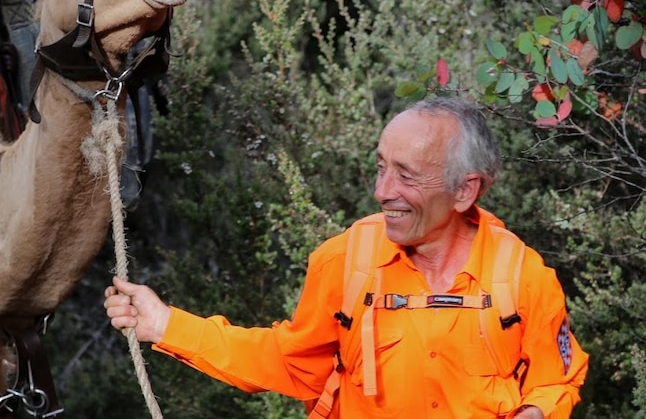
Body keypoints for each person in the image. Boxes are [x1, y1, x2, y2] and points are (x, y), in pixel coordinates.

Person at [104, 96, 588, 418]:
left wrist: (535, 411)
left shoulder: (523, 278)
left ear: (465, 190)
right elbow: (291, 362)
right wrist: (168, 325)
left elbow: (556, 380)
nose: (382, 192)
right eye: (380, 168)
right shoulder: (345, 262)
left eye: (406, 175)